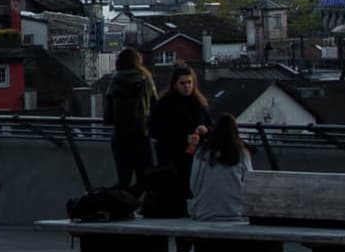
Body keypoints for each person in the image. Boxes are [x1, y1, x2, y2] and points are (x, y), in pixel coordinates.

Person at [144, 62, 211, 219]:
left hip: (195, 156)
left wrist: (205, 130)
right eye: (183, 83)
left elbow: (210, 124)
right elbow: (156, 131)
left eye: (189, 82)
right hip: (172, 157)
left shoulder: (199, 103)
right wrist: (182, 138)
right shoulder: (164, 105)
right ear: (175, 84)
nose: (187, 86)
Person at [103, 47, 156, 201]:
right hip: (141, 135)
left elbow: (108, 115)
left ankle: (118, 204)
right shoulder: (145, 79)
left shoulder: (114, 81)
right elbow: (154, 104)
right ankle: (130, 202)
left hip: (120, 136)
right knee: (145, 178)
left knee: (124, 180)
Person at [187, 114, 250, 223]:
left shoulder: (203, 152)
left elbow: (194, 184)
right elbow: (249, 182)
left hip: (206, 212)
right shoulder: (242, 153)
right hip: (236, 212)